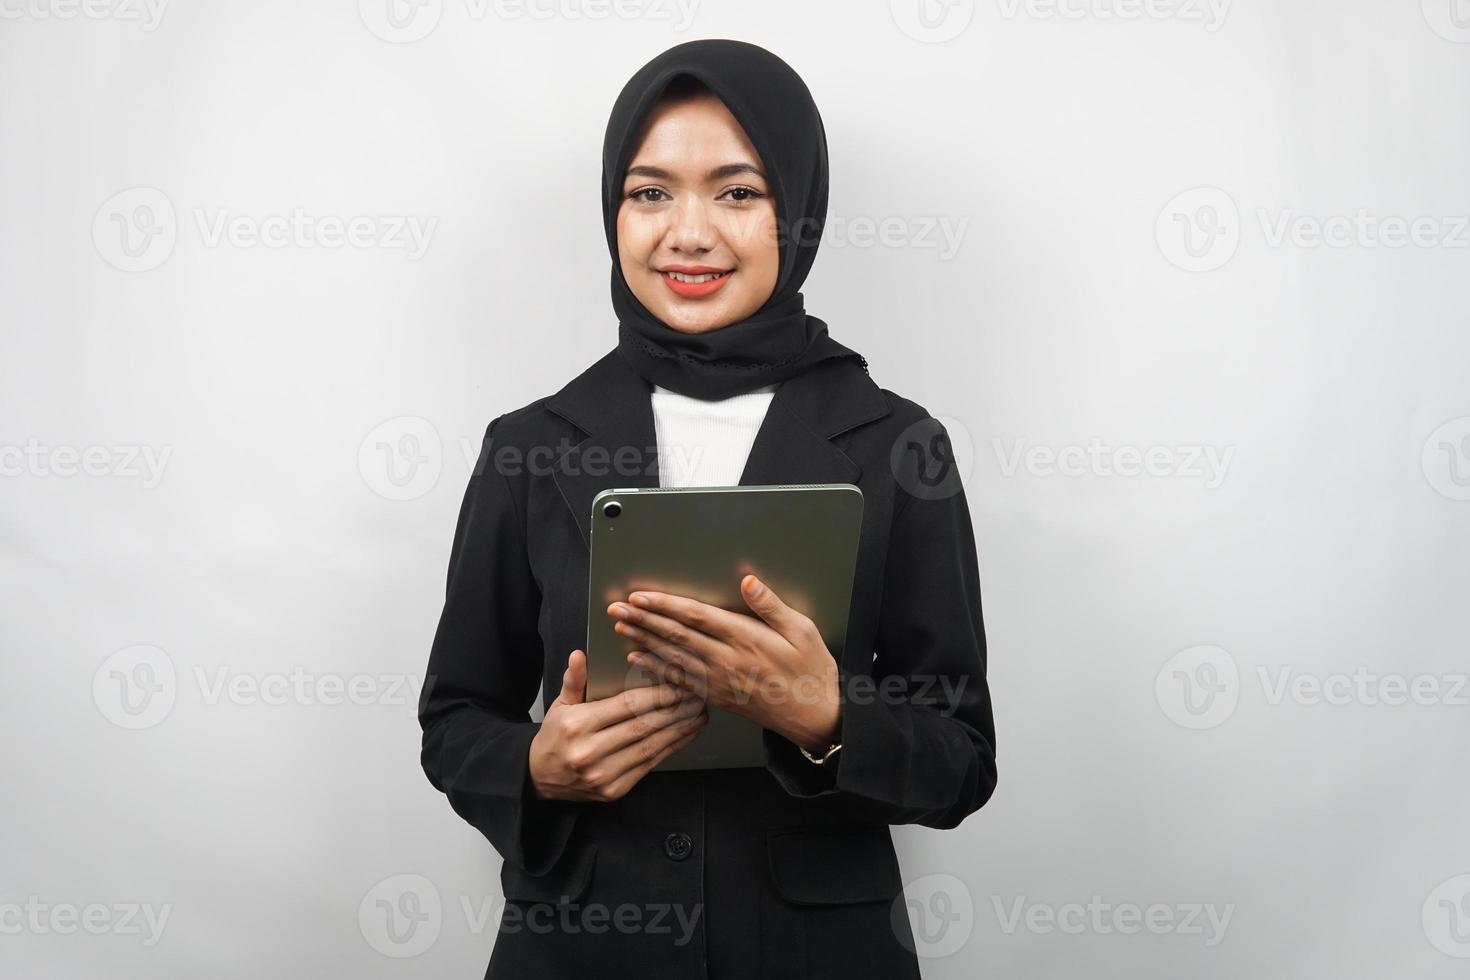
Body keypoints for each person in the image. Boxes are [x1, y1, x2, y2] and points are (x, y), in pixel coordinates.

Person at [419, 38, 997, 980]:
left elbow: (962, 760)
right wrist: (535, 769)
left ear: (797, 212)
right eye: (650, 193)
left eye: (738, 192)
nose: (688, 233)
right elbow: (455, 717)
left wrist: (826, 716)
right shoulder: (530, 443)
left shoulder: (901, 446)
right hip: (579, 949)